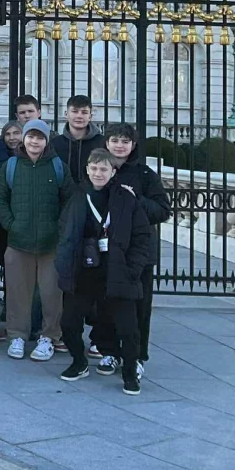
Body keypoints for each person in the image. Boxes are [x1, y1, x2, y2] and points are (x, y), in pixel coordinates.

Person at [56, 149, 152, 396]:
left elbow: (142, 237)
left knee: (128, 329)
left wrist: (133, 269)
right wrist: (64, 264)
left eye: (103, 169)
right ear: (87, 170)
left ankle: (129, 372)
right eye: (94, 168)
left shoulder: (127, 198)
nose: (98, 173)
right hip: (84, 271)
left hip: (118, 270)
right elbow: (64, 230)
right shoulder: (78, 196)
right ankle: (79, 362)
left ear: (113, 172)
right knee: (69, 322)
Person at [0, 119, 72, 360]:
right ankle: (17, 335)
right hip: (18, 241)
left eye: (39, 137)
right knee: (17, 293)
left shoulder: (58, 166)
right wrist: (11, 225)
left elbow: (69, 200)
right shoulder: (12, 166)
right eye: (30, 136)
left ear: (46, 141)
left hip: (51, 243)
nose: (34, 142)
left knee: (51, 294)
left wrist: (58, 229)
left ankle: (49, 336)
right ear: (24, 139)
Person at [104, 123, 170, 375]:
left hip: (140, 253)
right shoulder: (101, 169)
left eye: (125, 141)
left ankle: (138, 356)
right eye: (115, 140)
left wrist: (136, 199)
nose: (120, 146)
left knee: (140, 307)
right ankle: (110, 351)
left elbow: (162, 210)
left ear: (133, 145)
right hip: (109, 249)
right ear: (107, 143)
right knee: (108, 304)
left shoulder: (145, 175)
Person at [51, 95, 105, 184]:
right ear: (66, 114)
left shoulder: (102, 143)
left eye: (84, 112)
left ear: (90, 116)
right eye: (75, 111)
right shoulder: (55, 144)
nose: (79, 116)